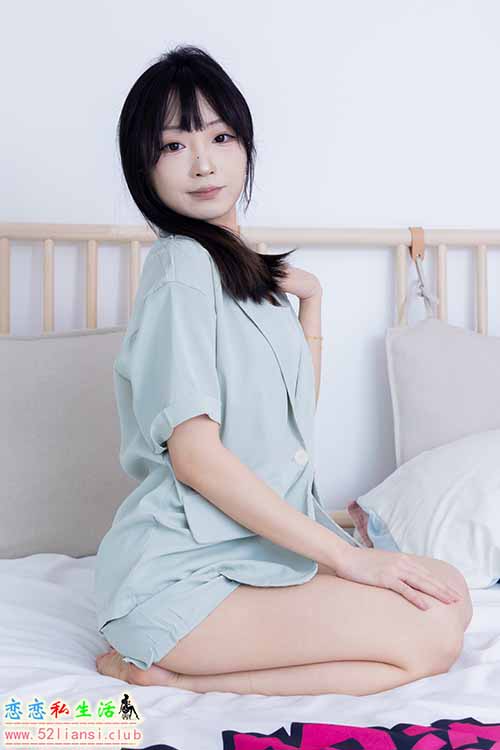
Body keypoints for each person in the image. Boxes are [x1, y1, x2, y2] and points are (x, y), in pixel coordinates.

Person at [95, 44, 472, 696]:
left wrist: (311, 304)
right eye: (174, 145)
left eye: (220, 137)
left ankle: (177, 670)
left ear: (246, 147)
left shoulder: (240, 271)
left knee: (450, 589)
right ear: (143, 167)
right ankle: (169, 677)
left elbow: (291, 420)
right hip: (181, 577)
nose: (204, 162)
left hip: (253, 554)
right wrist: (348, 560)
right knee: (432, 633)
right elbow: (195, 457)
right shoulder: (182, 269)